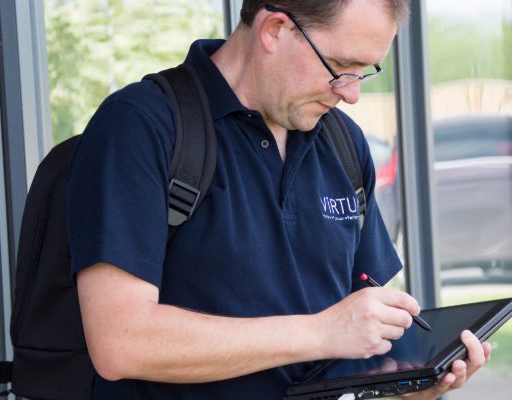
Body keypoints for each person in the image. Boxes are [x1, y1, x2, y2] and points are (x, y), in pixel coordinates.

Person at [67, 1, 492, 399]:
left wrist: (404, 382)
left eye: (364, 71)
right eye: (341, 66)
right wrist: (321, 332)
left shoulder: (343, 143)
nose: (351, 93)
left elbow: (349, 346)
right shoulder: (142, 126)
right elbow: (120, 343)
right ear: (275, 29)